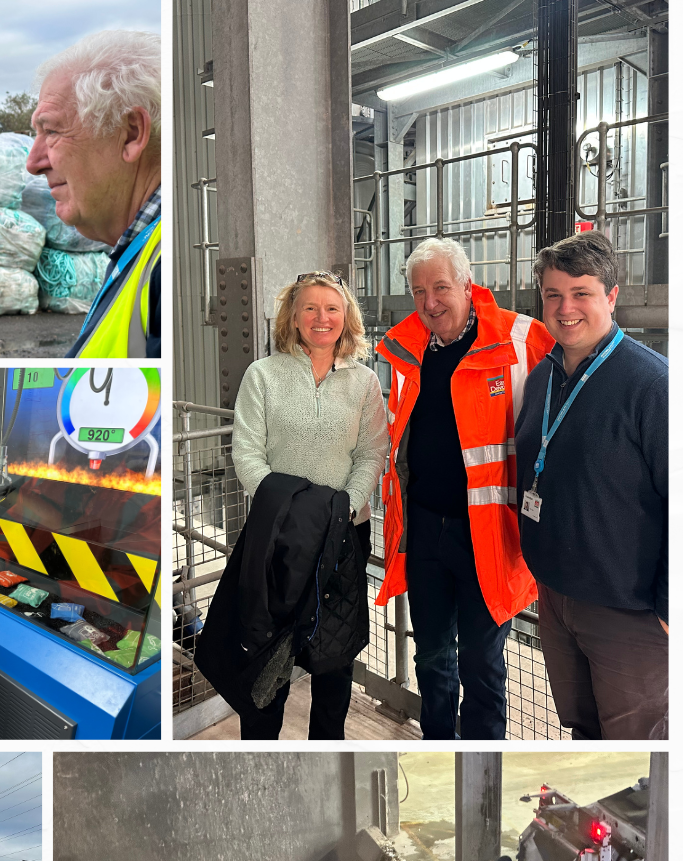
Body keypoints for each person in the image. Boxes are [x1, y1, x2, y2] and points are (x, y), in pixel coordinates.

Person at [376, 238, 554, 740]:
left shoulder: (521, 340)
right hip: (426, 528)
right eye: (418, 291)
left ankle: (482, 758)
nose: (429, 302)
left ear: (467, 285)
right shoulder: (407, 349)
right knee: (432, 654)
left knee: (482, 661)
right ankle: (438, 741)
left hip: (489, 533)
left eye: (440, 288)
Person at [515, 230, 667, 739]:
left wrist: (668, 610)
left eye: (582, 293)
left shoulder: (653, 386)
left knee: (633, 740)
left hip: (629, 611)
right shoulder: (543, 377)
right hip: (557, 596)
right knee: (579, 728)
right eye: (554, 294)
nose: (565, 308)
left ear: (612, 297)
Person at [229, 271, 388, 738]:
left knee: (333, 659)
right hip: (278, 537)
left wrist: (344, 507)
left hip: (343, 536)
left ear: (346, 318)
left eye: (332, 308)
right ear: (294, 318)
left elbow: (371, 452)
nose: (323, 318)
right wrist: (292, 513)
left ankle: (328, 747)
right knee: (266, 652)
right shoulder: (262, 376)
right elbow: (247, 452)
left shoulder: (364, 383)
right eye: (311, 309)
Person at [26, 29, 160, 359]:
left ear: (131, 133)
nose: (33, 162)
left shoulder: (167, 269)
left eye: (52, 131)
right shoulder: (143, 256)